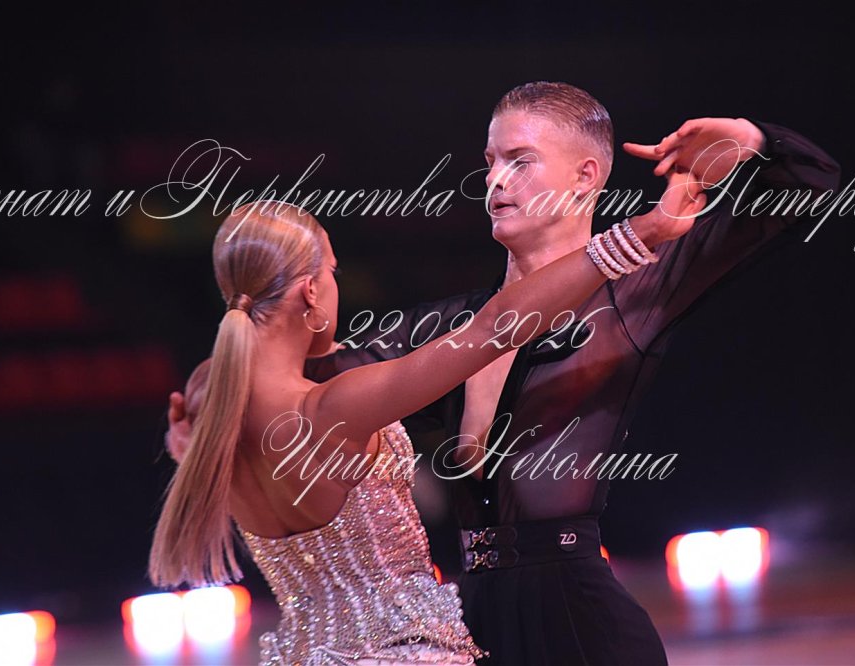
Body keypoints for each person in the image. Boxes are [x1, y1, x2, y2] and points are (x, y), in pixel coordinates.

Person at [167, 81, 840, 665]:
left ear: (585, 176)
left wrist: (751, 138)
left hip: (578, 619)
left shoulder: (640, 288)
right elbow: (293, 365)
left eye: (520, 161)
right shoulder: (444, 328)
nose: (494, 181)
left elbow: (812, 185)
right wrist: (206, 407)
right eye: (489, 162)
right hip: (471, 625)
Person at [151, 190, 697, 665]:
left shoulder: (213, 409)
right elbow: (494, 327)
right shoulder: (333, 409)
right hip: (405, 652)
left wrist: (184, 448)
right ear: (310, 291)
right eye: (332, 272)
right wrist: (640, 234)